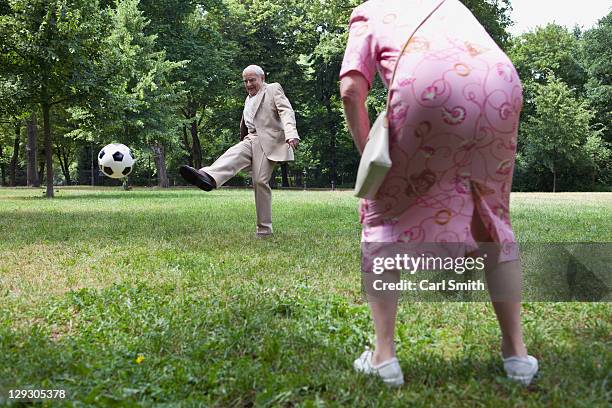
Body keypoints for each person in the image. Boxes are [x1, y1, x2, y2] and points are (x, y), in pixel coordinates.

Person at [339, 0, 538, 387]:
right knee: (492, 218)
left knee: (382, 215)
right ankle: (517, 356)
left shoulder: (370, 11)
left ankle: (383, 358)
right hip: (501, 88)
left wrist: (369, 154)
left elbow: (350, 90)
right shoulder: (452, 5)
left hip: (428, 90)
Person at [179, 65, 300, 237]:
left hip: (268, 142)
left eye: (252, 80)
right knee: (233, 153)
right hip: (251, 139)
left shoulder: (272, 89)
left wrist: (291, 133)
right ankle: (208, 177)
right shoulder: (248, 98)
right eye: (246, 81)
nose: (249, 84)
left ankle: (264, 231)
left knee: (260, 182)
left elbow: (286, 112)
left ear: (262, 78)